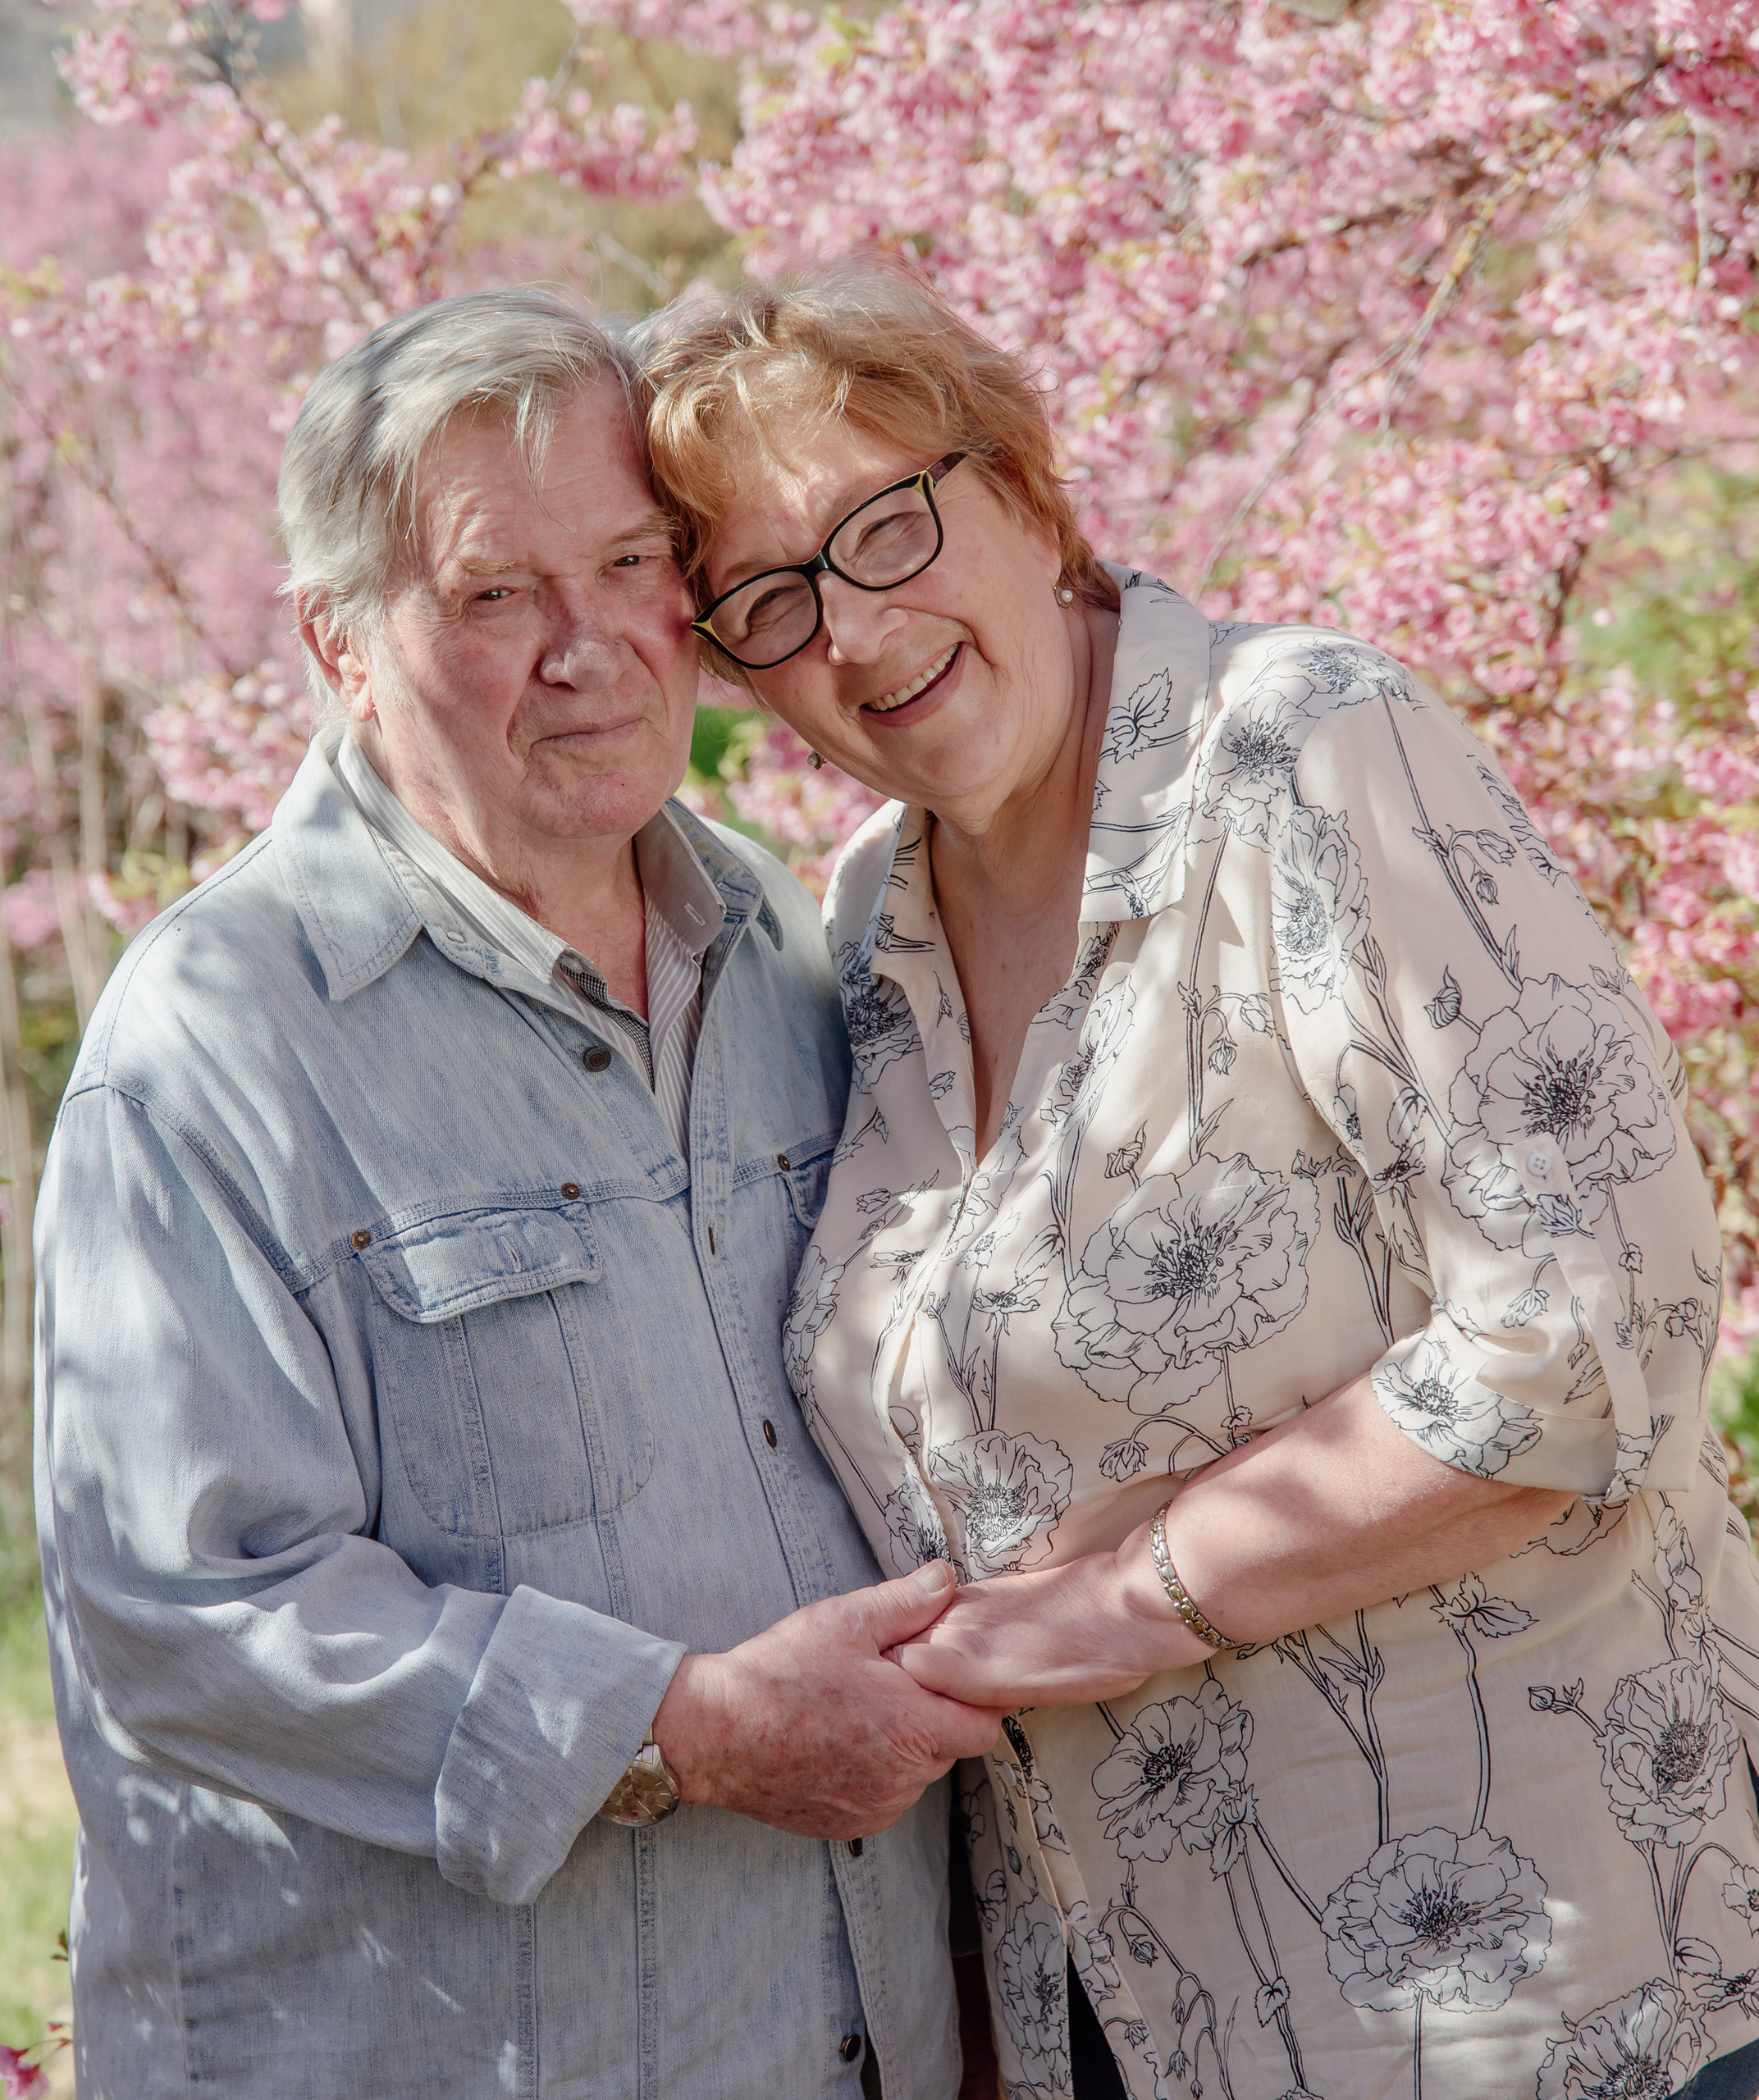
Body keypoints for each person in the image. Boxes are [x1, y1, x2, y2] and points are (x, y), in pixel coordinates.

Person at [637, 262, 1759, 2100]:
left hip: (1532, 1997)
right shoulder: (863, 914)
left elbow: (1586, 1315)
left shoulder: (1305, 746)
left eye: (884, 522)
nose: (854, 625)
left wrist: (1135, 1594)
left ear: (1017, 484)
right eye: (770, 599)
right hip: (1145, 2010)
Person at [32, 286, 1004, 2100]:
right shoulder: (215, 1042)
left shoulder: (780, 945)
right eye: (494, 594)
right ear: (338, 640)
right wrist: (678, 1729)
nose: (591, 647)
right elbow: (187, 1607)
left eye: (630, 560)